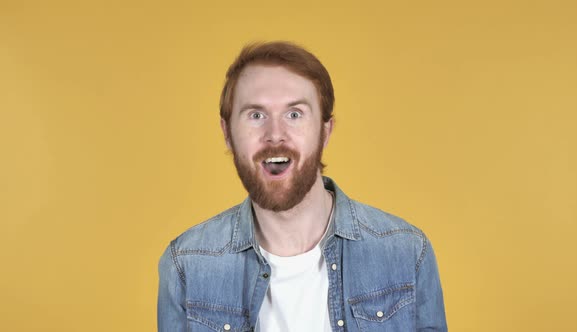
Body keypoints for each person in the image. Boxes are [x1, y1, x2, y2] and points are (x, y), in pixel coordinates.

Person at [158, 41, 447, 332]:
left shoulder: (407, 254)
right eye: (256, 115)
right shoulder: (186, 266)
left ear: (325, 131)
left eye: (294, 114)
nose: (275, 136)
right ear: (227, 133)